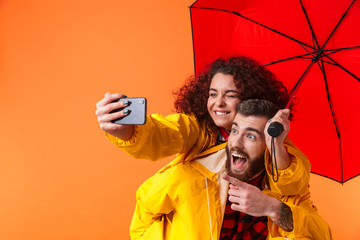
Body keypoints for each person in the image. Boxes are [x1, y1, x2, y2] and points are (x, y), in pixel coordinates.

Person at [129, 99, 332, 239]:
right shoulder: (190, 177)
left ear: (268, 145)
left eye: (251, 136)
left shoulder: (285, 191)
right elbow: (142, 219)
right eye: (234, 130)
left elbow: (321, 235)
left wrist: (271, 208)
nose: (236, 143)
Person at [96, 56, 297, 179]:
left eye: (231, 95)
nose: (218, 103)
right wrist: (126, 130)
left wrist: (275, 144)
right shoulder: (198, 130)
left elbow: (292, 186)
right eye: (212, 94)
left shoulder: (273, 139)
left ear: (250, 99)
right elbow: (166, 133)